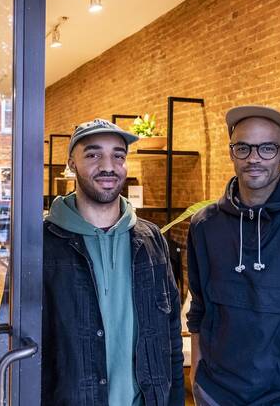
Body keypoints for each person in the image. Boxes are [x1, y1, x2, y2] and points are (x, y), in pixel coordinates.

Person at [186, 106, 280, 406]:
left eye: (267, 148)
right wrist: (197, 381)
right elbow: (199, 309)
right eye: (243, 148)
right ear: (232, 153)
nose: (253, 158)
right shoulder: (205, 225)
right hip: (217, 393)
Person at [42, 118, 184, 405]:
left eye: (118, 155)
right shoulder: (43, 242)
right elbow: (19, 342)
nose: (108, 166)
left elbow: (170, 337)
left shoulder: (151, 239)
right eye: (93, 154)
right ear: (71, 164)